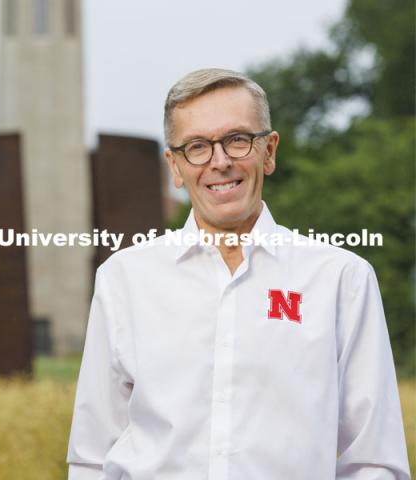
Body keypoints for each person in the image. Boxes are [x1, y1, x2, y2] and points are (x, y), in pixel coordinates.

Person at [67, 68, 410, 479]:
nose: (220, 161)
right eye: (197, 146)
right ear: (174, 166)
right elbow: (91, 457)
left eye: (237, 140)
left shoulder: (341, 279)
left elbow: (375, 461)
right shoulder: (123, 279)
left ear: (269, 151)